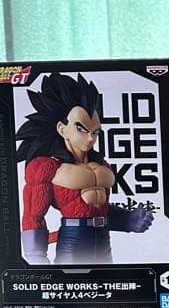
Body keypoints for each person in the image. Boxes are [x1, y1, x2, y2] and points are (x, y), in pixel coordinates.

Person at [16, 72, 154, 264]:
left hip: (103, 240)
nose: (90, 138)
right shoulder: (46, 166)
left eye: (95, 132)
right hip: (73, 241)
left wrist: (127, 220)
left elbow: (97, 208)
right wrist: (36, 256)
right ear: (62, 128)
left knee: (109, 282)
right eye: (81, 129)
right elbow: (34, 214)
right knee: (73, 281)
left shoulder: (102, 165)